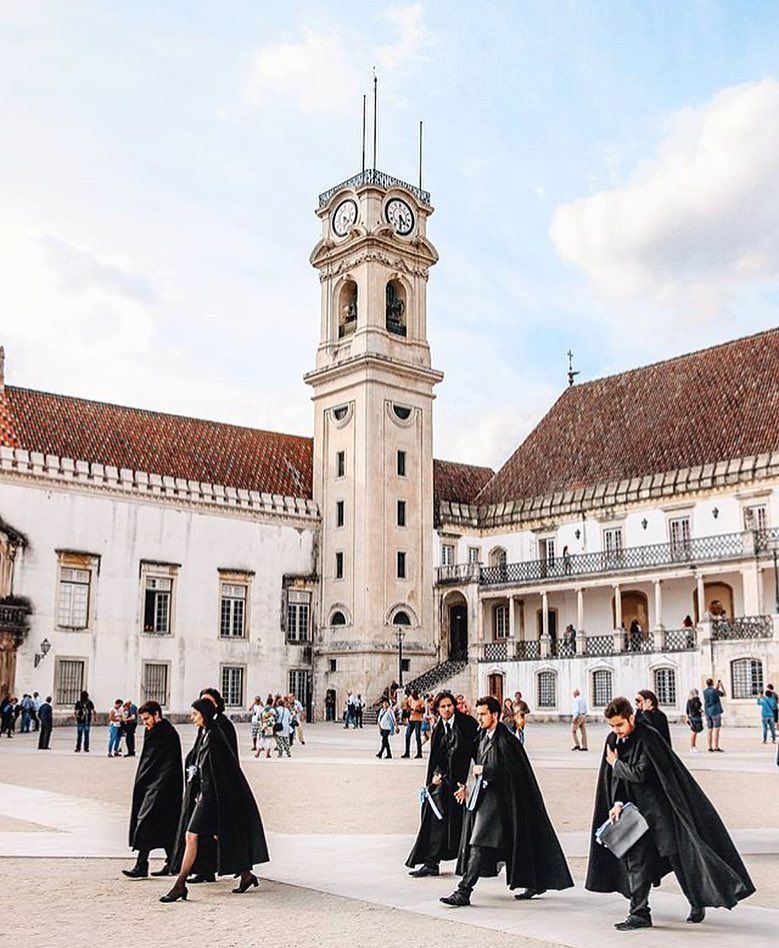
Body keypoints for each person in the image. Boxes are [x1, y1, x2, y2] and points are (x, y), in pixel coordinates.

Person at [586, 696, 754, 930]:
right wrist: (617, 802)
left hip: (661, 812)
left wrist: (616, 764)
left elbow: (641, 773)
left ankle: (697, 901)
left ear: (631, 718)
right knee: (637, 862)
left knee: (680, 860)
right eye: (612, 726)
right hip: (635, 815)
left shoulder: (648, 737)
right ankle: (639, 913)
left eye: (620, 724)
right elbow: (614, 779)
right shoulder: (613, 740)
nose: (616, 730)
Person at [440, 695, 573, 907]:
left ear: (495, 715)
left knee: (479, 843)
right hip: (486, 800)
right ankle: (533, 882)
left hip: (504, 803)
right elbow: (472, 765)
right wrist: (466, 786)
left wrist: (485, 770)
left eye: (483, 714)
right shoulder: (481, 737)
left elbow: (514, 772)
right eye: (478, 714)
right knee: (486, 843)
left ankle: (464, 891)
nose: (480, 718)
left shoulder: (507, 741)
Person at [163, 698, 269, 903]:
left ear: (204, 714)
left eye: (195, 714)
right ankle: (246, 874)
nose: (192, 718)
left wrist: (208, 796)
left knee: (191, 836)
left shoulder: (214, 737)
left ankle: (179, 885)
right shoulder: (205, 734)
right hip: (206, 796)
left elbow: (222, 772)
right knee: (219, 835)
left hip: (211, 798)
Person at [406, 690, 479, 877]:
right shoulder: (439, 728)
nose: (447, 709)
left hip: (463, 784)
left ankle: (471, 865)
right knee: (435, 818)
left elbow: (477, 755)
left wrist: (467, 784)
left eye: (449, 705)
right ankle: (431, 862)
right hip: (445, 783)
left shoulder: (467, 724)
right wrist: (436, 775)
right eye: (443, 706)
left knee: (468, 823)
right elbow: (437, 757)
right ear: (437, 709)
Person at [122, 701, 183, 879]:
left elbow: (169, 763)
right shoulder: (153, 731)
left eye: (147, 718)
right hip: (153, 785)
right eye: (143, 719)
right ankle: (171, 862)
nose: (145, 723)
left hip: (163, 786)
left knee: (146, 821)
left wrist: (157, 785)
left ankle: (142, 864)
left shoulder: (167, 733)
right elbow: (148, 760)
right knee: (164, 825)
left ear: (157, 714)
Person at [200, 687, 239, 759]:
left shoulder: (225, 725)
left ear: (216, 704)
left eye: (208, 701)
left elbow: (231, 753)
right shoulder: (203, 725)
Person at [703, 678, 726, 752]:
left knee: (709, 729)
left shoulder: (705, 691)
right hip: (715, 711)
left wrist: (717, 687)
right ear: (712, 683)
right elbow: (724, 694)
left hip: (707, 711)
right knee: (716, 729)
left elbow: (713, 693)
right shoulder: (715, 691)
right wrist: (721, 686)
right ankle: (716, 746)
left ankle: (709, 747)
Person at [402, 690, 425, 759]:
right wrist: (408, 709)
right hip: (411, 719)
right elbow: (407, 705)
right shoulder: (410, 699)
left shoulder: (420, 701)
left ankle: (419, 753)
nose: (413, 696)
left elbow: (423, 710)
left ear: (416, 695)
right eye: (412, 695)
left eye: (414, 695)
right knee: (407, 735)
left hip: (418, 720)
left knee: (417, 736)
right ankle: (407, 752)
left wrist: (416, 710)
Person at [685, 688, 703, 752]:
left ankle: (693, 746)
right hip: (695, 717)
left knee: (694, 732)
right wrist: (697, 698)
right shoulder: (695, 699)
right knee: (694, 732)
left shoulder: (689, 701)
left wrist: (687, 717)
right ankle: (692, 746)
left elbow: (687, 710)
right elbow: (698, 706)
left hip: (692, 717)